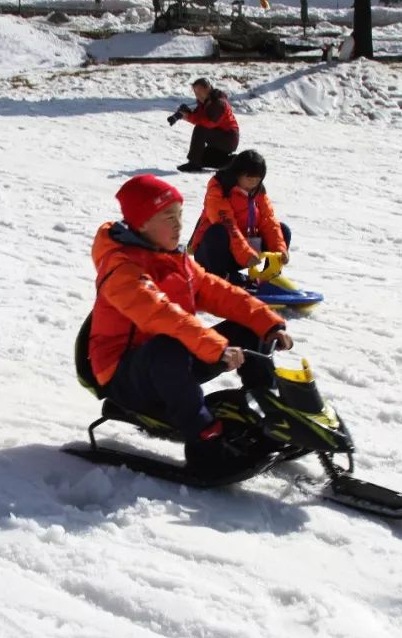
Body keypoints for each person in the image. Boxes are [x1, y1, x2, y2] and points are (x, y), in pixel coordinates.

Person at [89, 175, 292, 479]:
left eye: (180, 215)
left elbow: (217, 290)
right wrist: (215, 347)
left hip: (172, 359)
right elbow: (161, 315)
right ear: (143, 224)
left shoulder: (173, 257)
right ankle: (203, 440)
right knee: (166, 347)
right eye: (167, 217)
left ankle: (268, 412)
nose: (178, 225)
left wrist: (267, 322)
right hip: (125, 376)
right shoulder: (121, 268)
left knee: (249, 328)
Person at [189, 150, 291, 285]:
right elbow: (228, 226)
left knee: (283, 230)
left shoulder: (258, 191)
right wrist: (246, 255)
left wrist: (279, 251)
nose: (253, 183)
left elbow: (268, 221)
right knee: (219, 231)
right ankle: (220, 278)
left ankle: (268, 276)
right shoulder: (218, 190)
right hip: (215, 253)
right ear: (237, 174)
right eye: (249, 178)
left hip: (245, 252)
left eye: (257, 179)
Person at [172, 77, 240, 172]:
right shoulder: (205, 102)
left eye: (199, 92)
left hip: (228, 138)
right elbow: (198, 116)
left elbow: (209, 123)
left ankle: (194, 164)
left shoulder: (219, 103)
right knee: (203, 159)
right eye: (196, 93)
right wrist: (187, 114)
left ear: (207, 89)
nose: (197, 96)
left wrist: (188, 116)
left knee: (200, 129)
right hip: (219, 141)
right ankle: (234, 161)